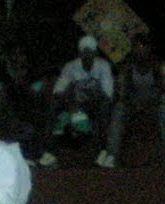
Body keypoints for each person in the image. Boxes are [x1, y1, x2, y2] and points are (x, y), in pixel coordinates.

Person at [44, 35, 115, 168]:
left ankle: (104, 151)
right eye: (84, 51)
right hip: (74, 104)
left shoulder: (103, 66)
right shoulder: (71, 67)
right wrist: (69, 103)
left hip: (95, 104)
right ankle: (49, 152)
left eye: (90, 51)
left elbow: (107, 94)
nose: (87, 54)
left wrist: (87, 103)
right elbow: (58, 91)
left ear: (95, 53)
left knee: (105, 108)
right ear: (79, 52)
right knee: (53, 106)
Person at [107, 33, 165, 166]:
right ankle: (111, 155)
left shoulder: (158, 64)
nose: (140, 50)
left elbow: (164, 91)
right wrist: (133, 105)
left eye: (143, 46)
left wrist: (149, 105)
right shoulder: (127, 66)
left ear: (149, 48)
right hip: (134, 100)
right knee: (119, 109)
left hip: (154, 100)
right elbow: (123, 93)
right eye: (136, 47)